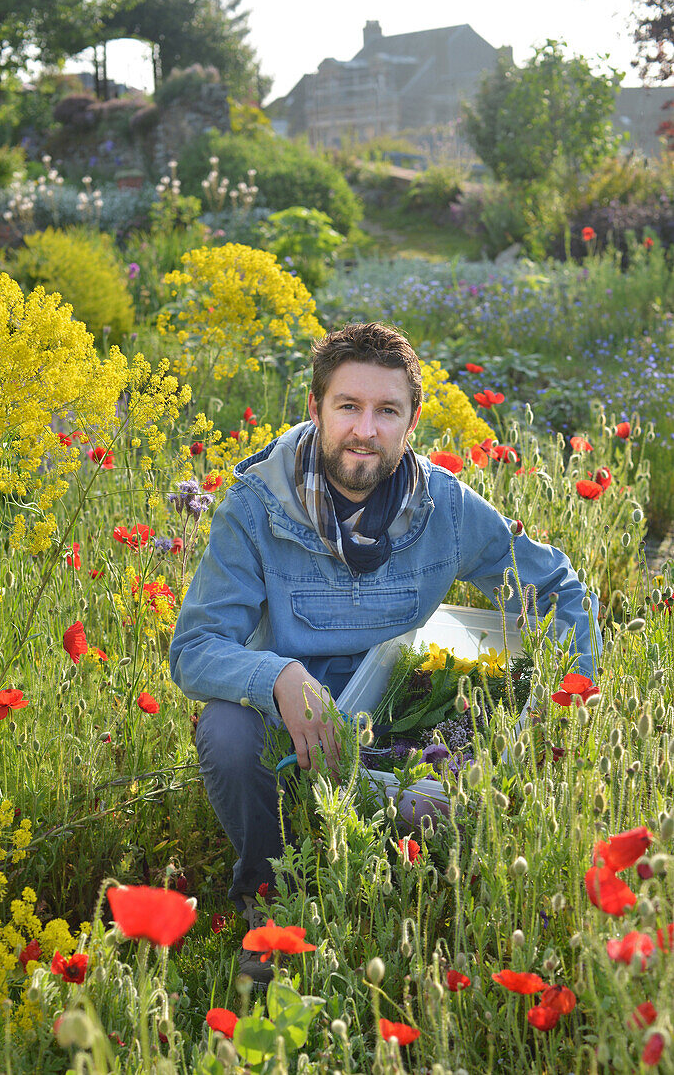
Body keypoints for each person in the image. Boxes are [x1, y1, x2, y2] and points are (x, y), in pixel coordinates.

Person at [169, 322, 602, 979]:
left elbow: (554, 586)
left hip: (400, 724)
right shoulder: (255, 509)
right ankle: (270, 900)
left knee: (436, 805)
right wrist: (278, 675)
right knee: (226, 730)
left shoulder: (446, 508)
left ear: (411, 421)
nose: (363, 430)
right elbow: (195, 649)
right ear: (315, 409)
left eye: (385, 411)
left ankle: (420, 918)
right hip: (289, 730)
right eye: (347, 406)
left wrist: (570, 694)